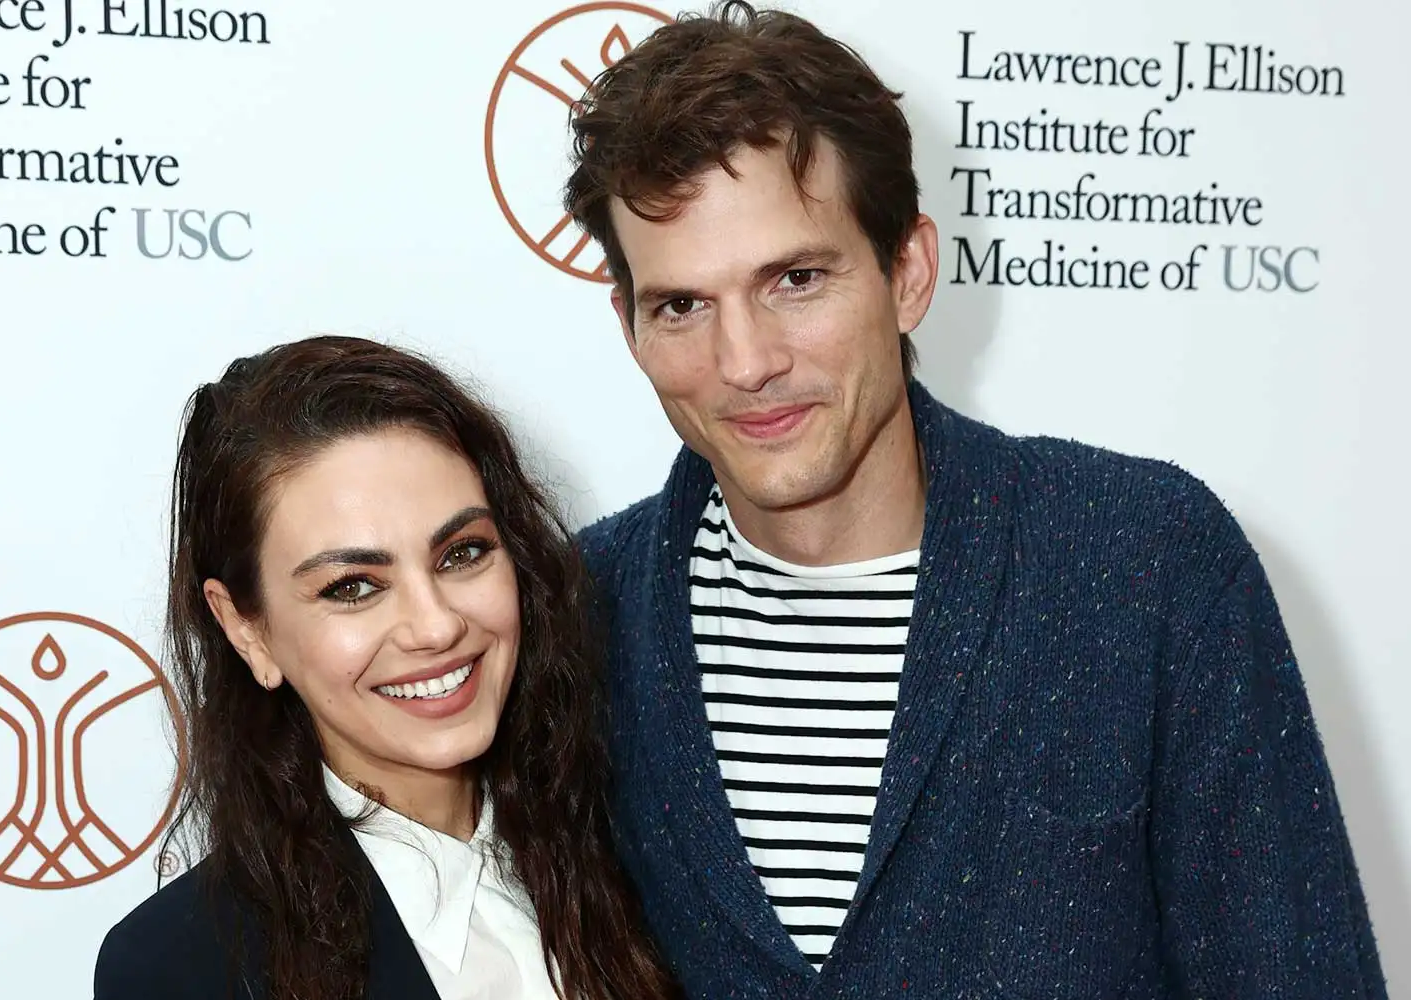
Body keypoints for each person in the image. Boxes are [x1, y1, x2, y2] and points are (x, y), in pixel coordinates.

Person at [562, 3, 1388, 998]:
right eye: (683, 305)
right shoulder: (579, 612)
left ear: (907, 272)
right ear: (628, 324)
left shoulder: (1145, 561)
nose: (746, 363)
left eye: (796, 279)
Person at [92, 336, 678, 1000]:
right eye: (352, 587)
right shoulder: (186, 968)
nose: (437, 625)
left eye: (462, 553)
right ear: (245, 629)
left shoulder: (646, 851)